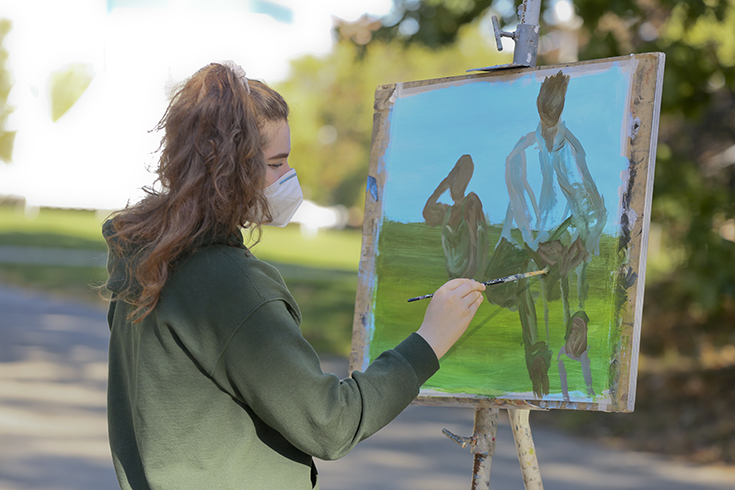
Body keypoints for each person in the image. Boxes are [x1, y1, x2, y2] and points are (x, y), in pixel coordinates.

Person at [102, 61, 486, 490]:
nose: (289, 178)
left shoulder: (149, 258)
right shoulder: (231, 285)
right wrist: (429, 341)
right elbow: (330, 423)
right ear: (229, 168)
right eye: (276, 163)